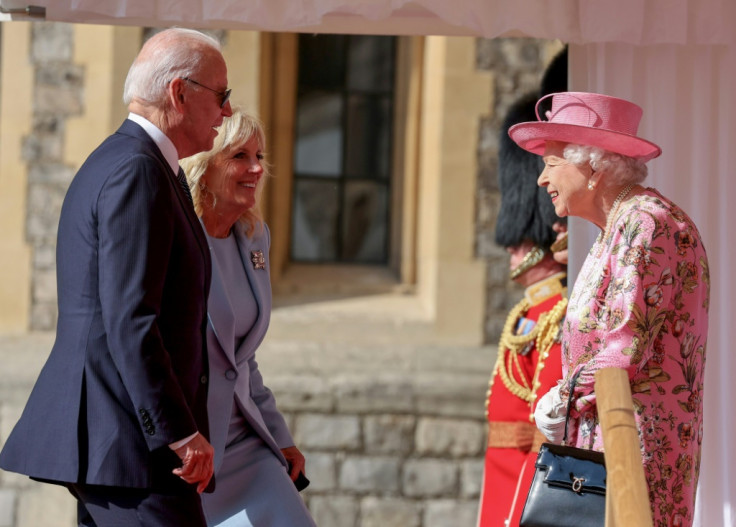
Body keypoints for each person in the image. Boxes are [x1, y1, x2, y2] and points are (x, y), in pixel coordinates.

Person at [0, 28, 233, 526]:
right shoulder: (137, 170)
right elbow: (131, 319)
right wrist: (179, 432)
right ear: (179, 93)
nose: (227, 113)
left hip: (120, 443)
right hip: (132, 448)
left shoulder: (135, 162)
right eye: (222, 96)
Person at [510, 91, 709, 527]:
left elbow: (623, 347)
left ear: (593, 165)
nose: (542, 181)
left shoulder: (646, 222)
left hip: (633, 452)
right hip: (606, 444)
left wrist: (560, 396)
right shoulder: (619, 225)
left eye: (551, 164)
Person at [180, 108, 316, 527]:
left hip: (248, 445)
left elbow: (242, 358)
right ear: (205, 167)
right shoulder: (179, 240)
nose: (257, 168)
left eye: (260, 156)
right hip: (195, 449)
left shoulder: (255, 236)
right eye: (240, 156)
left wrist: (280, 437)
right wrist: (180, 439)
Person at [477, 92, 568, 527]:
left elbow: (542, 437)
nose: (513, 244)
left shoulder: (558, 312)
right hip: (501, 480)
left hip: (525, 488)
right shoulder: (528, 313)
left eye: (522, 233)